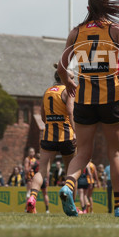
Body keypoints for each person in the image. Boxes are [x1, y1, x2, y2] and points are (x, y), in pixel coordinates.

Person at [57, 0, 119, 218]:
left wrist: (69, 83)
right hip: (111, 97)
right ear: (107, 8)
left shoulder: (76, 32)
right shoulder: (115, 30)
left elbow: (62, 68)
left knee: (82, 152)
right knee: (116, 154)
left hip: (84, 98)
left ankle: (68, 186)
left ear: (88, 9)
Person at [27, 65, 77, 214]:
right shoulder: (68, 91)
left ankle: (32, 198)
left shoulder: (47, 91)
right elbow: (70, 111)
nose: (74, 81)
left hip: (48, 136)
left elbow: (42, 116)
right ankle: (72, 207)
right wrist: (76, 132)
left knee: (42, 170)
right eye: (73, 78)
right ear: (65, 78)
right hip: (67, 136)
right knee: (71, 171)